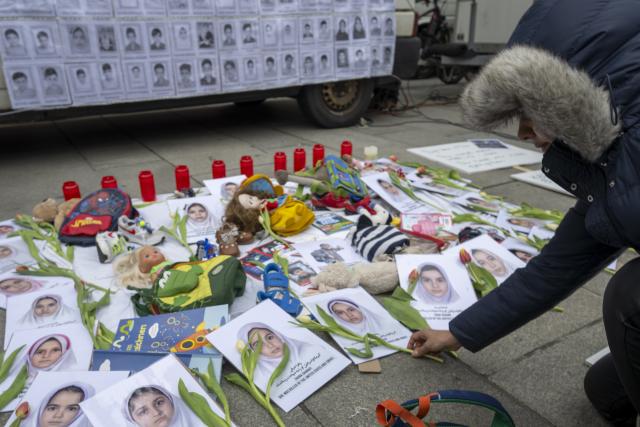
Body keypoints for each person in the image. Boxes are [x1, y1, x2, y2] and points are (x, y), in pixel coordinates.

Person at [407, 1, 640, 425]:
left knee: (631, 295)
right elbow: (560, 264)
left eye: (530, 111)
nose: (523, 132)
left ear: (572, 101)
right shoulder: (616, 158)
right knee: (605, 392)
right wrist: (459, 332)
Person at [238, 323, 310, 386]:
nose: (270, 345)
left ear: (278, 335)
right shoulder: (262, 377)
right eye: (258, 344)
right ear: (252, 350)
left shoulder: (308, 349)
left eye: (270, 337)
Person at [124, 385, 199, 426]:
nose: (156, 413)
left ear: (172, 401)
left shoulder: (204, 420)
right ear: (134, 421)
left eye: (159, 403)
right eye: (143, 412)